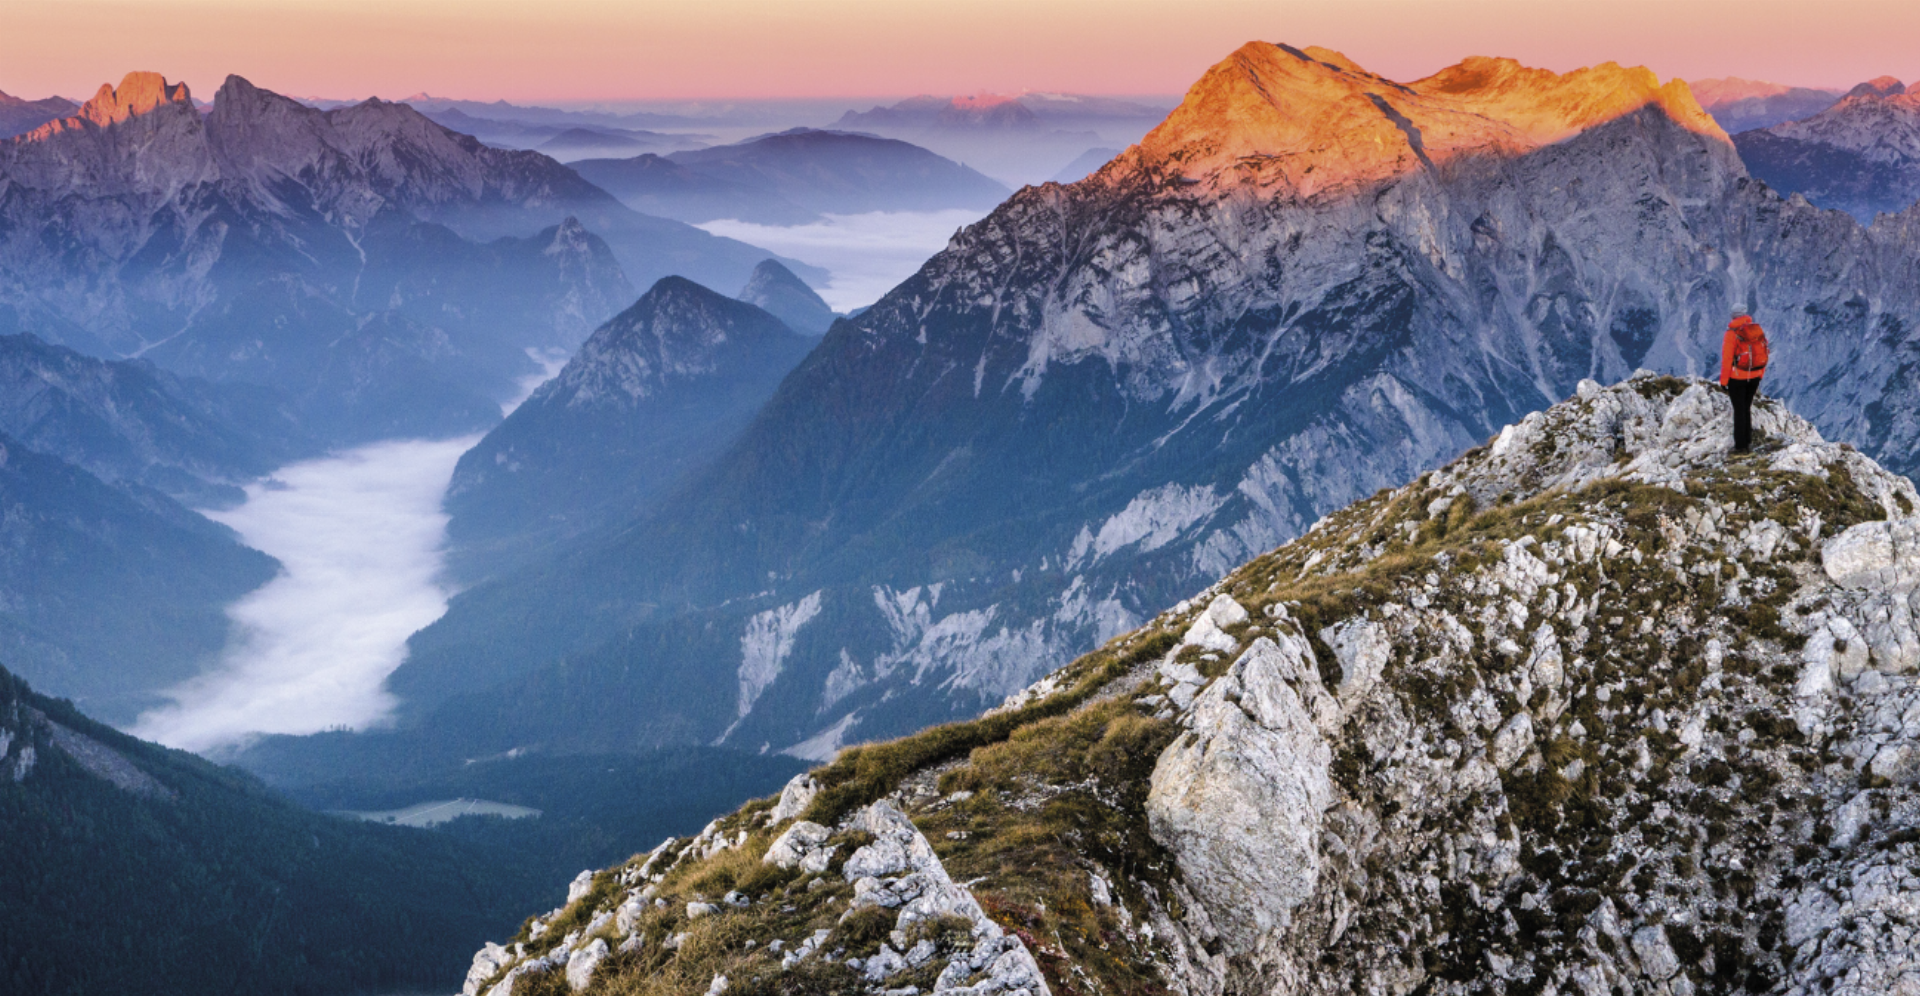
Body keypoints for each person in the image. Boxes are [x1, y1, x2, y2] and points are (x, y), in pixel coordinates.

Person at [1719, 308, 1769, 452]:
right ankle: (1747, 440)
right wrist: (1760, 374)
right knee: (1746, 407)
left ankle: (1741, 447)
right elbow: (1765, 352)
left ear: (1733, 316)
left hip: (1738, 377)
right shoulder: (1756, 330)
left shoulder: (1731, 333)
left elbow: (1727, 359)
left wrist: (1724, 381)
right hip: (1755, 376)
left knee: (1739, 410)